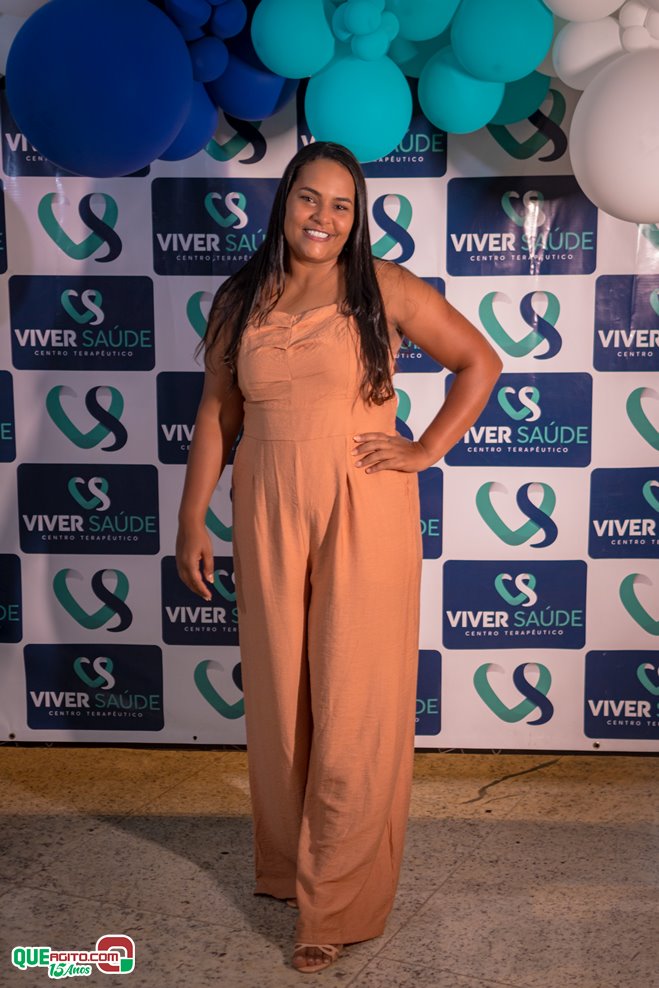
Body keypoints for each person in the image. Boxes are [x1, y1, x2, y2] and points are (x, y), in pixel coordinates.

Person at [176, 141, 502, 974]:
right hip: (265, 508)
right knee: (280, 698)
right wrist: (191, 518)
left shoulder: (383, 287)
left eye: (341, 205)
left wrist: (424, 448)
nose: (322, 217)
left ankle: (338, 906)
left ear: (357, 219)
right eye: (308, 198)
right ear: (283, 202)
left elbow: (479, 362)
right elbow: (217, 412)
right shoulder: (241, 295)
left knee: (355, 705)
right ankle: (290, 869)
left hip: (364, 506)